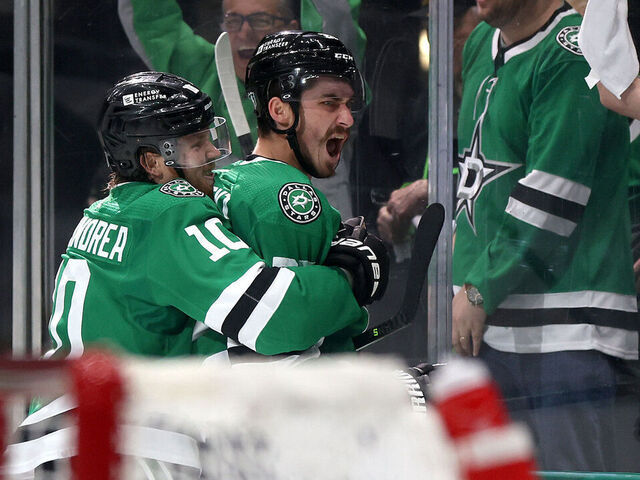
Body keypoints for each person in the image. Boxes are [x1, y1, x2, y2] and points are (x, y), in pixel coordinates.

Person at [4, 70, 388, 477]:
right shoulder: (169, 210)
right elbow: (274, 316)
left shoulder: (101, 213)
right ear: (153, 163)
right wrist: (348, 276)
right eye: (195, 145)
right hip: (115, 446)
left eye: (209, 137)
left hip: (40, 443)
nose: (212, 153)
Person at [451, 0, 637, 472]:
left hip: (568, 328)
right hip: (489, 323)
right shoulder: (480, 41)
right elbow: (475, 175)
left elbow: (556, 193)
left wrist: (479, 287)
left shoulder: (572, 50)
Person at [199, 31, 389, 361]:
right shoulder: (284, 199)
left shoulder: (231, 182)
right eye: (329, 103)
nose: (347, 119)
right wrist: (344, 279)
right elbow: (281, 348)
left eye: (348, 104)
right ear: (280, 111)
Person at [117, 0, 366, 217]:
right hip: (233, 244)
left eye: (261, 20)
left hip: (319, 228)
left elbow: (335, 15)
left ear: (291, 28)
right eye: (233, 20)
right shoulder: (201, 75)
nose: (244, 32)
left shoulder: (321, 75)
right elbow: (154, 23)